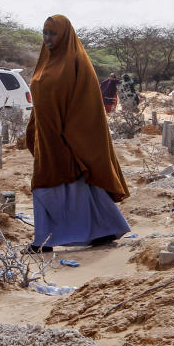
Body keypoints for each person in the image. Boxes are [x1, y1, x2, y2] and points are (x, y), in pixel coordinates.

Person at [25, 15, 131, 253]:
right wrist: (35, 127)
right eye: (45, 33)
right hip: (47, 136)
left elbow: (85, 104)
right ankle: (104, 229)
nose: (48, 38)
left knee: (55, 183)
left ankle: (44, 241)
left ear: (64, 35)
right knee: (66, 185)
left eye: (53, 33)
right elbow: (40, 101)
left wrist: (69, 135)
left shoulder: (76, 61)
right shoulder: (45, 62)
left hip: (67, 135)